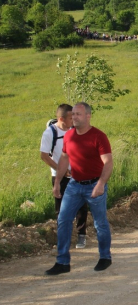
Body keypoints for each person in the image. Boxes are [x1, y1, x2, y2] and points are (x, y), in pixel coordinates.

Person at [45, 102, 113, 275]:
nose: (74, 117)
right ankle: (62, 262)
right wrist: (57, 182)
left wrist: (100, 184)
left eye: (78, 114)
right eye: (73, 114)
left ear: (88, 116)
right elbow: (64, 160)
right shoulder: (69, 136)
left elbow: (108, 162)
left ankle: (105, 257)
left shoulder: (98, 136)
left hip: (95, 184)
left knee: (100, 224)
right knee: (63, 220)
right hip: (74, 184)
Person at [40, 104, 88, 249]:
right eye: (70, 117)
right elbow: (44, 156)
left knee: (81, 206)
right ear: (61, 119)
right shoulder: (50, 133)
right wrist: (60, 169)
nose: (73, 119)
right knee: (61, 209)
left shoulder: (76, 130)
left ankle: (81, 236)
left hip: (78, 174)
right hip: (59, 176)